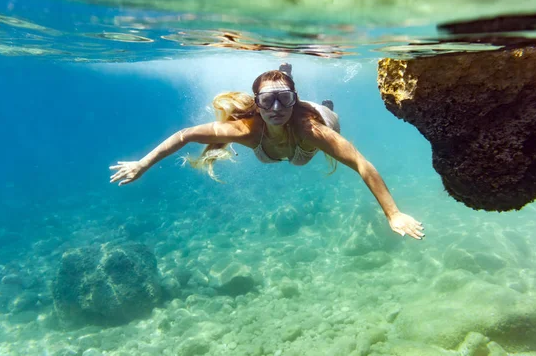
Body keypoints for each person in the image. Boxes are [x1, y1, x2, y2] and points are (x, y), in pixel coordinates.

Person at [110, 64, 424, 240]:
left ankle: (320, 102)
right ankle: (285, 77)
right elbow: (186, 135)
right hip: (270, 147)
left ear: (294, 99)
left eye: (284, 99)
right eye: (267, 101)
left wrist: (393, 213)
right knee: (277, 148)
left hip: (315, 120)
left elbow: (360, 162)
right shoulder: (247, 129)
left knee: (324, 119)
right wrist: (143, 163)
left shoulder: (311, 131)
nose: (276, 109)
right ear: (256, 105)